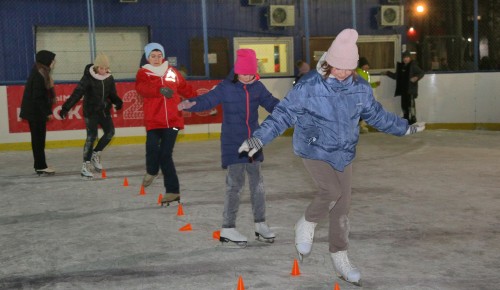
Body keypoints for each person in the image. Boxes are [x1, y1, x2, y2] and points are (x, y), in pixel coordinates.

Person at [238, 29, 425, 286]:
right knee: (332, 191)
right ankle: (306, 223)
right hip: (313, 148)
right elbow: (283, 114)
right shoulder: (309, 85)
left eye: (349, 69)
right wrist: (259, 138)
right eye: (339, 68)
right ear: (329, 61)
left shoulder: (359, 86)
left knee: (342, 208)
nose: (344, 73)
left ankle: (340, 256)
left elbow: (376, 115)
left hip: (344, 151)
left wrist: (403, 127)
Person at [178, 48, 280, 247]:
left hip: (254, 143)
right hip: (233, 144)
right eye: (243, 72)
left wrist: (288, 109)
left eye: (251, 73)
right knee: (235, 186)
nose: (247, 76)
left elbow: (272, 104)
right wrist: (191, 104)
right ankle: (228, 228)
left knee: (257, 185)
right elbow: (207, 100)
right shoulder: (226, 87)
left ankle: (260, 224)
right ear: (236, 70)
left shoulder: (258, 87)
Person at [135, 42, 197, 205]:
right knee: (151, 148)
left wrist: (199, 98)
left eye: (159, 56)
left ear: (163, 56)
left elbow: (185, 88)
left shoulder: (172, 72)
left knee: (165, 155)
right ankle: (152, 171)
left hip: (173, 121)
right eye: (153, 56)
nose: (156, 59)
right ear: (147, 58)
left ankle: (172, 191)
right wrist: (159, 89)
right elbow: (141, 89)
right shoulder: (144, 73)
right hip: (154, 120)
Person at [59, 54, 123, 179]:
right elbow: (77, 93)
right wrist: (65, 107)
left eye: (106, 68)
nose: (103, 71)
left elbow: (112, 94)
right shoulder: (88, 78)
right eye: (101, 68)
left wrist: (118, 102)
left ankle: (96, 153)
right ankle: (85, 166)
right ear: (96, 66)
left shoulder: (109, 78)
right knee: (92, 137)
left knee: (110, 132)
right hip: (91, 111)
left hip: (104, 111)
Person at [20, 50, 57, 175]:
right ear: (46, 60)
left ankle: (40, 165)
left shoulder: (41, 72)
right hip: (35, 112)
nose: (54, 62)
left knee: (38, 140)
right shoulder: (39, 74)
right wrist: (47, 112)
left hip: (35, 111)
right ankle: (41, 166)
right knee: (38, 140)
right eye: (52, 60)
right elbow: (38, 96)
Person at [384, 51, 424, 124]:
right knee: (404, 105)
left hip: (410, 90)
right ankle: (406, 117)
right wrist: (388, 73)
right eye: (404, 58)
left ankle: (413, 118)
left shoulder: (413, 65)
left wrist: (416, 77)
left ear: (410, 58)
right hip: (403, 89)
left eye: (407, 57)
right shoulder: (402, 67)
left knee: (411, 104)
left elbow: (421, 72)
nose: (405, 59)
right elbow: (396, 76)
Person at [356, 57, 380, 133]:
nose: (367, 67)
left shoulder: (366, 73)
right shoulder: (358, 73)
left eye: (368, 65)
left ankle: (362, 125)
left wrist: (374, 84)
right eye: (366, 65)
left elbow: (367, 84)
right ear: (362, 65)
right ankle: (359, 126)